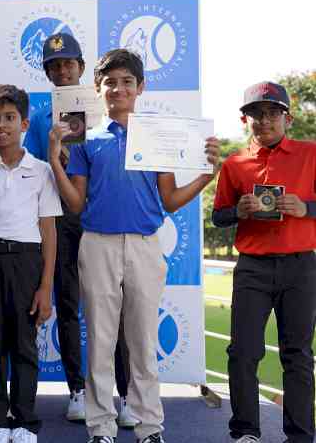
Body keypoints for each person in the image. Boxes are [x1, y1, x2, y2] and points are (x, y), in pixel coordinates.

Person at [47, 49, 220, 443]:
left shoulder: (155, 137)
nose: (118, 88)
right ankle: (101, 427)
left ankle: (149, 426)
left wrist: (206, 177)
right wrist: (55, 161)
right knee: (102, 342)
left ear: (141, 87)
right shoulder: (87, 139)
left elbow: (170, 200)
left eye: (127, 82)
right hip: (97, 246)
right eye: (110, 82)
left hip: (144, 246)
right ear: (98, 88)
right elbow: (75, 203)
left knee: (142, 342)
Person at [23, 32, 136, 426]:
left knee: (115, 310)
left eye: (68, 63)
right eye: (54, 66)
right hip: (63, 218)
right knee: (69, 305)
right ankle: (78, 390)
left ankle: (123, 395)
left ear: (82, 68)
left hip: (104, 218)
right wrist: (58, 157)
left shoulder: (106, 111)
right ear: (48, 73)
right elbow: (36, 171)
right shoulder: (40, 118)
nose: (62, 70)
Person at [212, 81, 316, 443]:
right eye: (256, 114)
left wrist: (306, 208)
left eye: (273, 113)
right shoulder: (234, 163)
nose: (265, 120)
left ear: (287, 118)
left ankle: (301, 436)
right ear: (246, 120)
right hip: (253, 267)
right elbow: (219, 217)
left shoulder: (311, 154)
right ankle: (244, 432)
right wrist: (237, 211)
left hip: (301, 267)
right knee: (242, 351)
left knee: (298, 354)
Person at [0, 84, 61, 443]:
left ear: (23, 124)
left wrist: (46, 286)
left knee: (23, 343)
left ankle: (24, 422)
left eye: (10, 118)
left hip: (26, 261)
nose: (2, 125)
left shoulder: (39, 170)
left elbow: (48, 230)